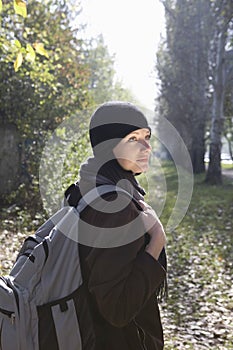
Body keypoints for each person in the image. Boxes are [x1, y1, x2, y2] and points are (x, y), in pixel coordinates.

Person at [65, 101, 167, 350]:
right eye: (133, 139)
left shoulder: (86, 186)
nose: (146, 147)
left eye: (147, 137)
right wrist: (157, 240)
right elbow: (117, 310)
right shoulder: (113, 205)